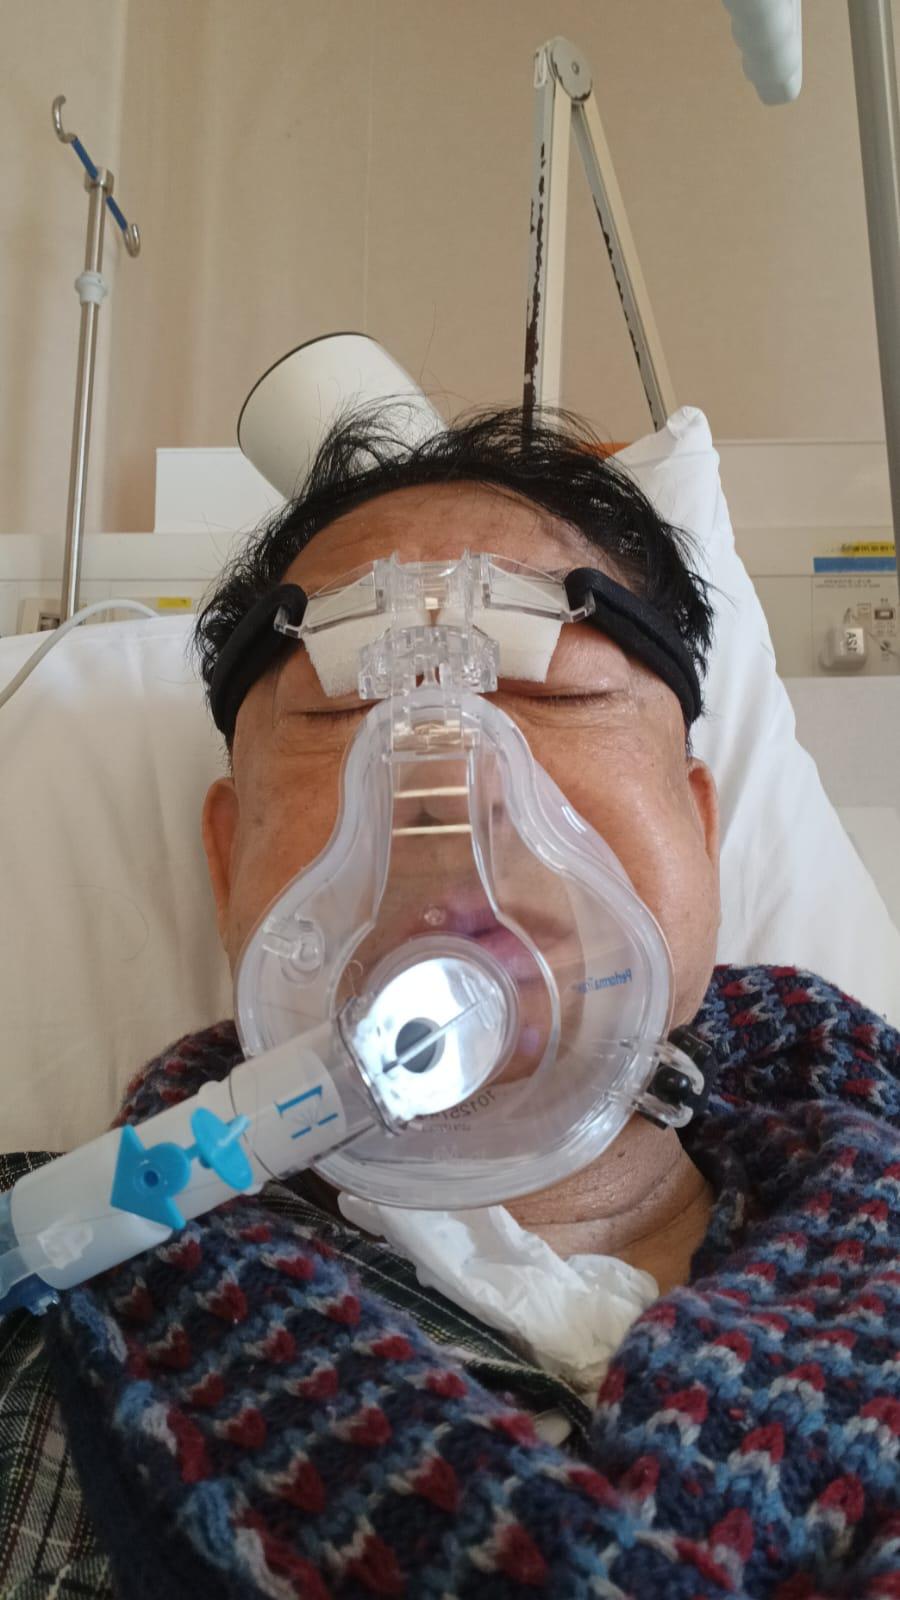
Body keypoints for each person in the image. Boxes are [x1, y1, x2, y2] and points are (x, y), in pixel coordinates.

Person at [2, 409, 899, 1600]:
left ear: (699, 829)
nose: (443, 784)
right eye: (340, 713)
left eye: (549, 695)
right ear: (228, 866)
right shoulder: (59, 1274)